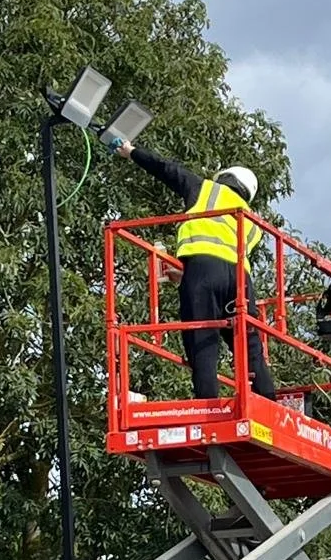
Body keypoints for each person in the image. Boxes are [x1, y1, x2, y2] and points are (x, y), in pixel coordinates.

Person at [106, 135, 277, 401]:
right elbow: (225, 253)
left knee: (202, 340)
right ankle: (268, 402)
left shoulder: (206, 189)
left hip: (203, 272)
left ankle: (207, 406)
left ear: (224, 178)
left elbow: (166, 169)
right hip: (241, 282)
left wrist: (131, 151)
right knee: (248, 342)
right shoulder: (253, 220)